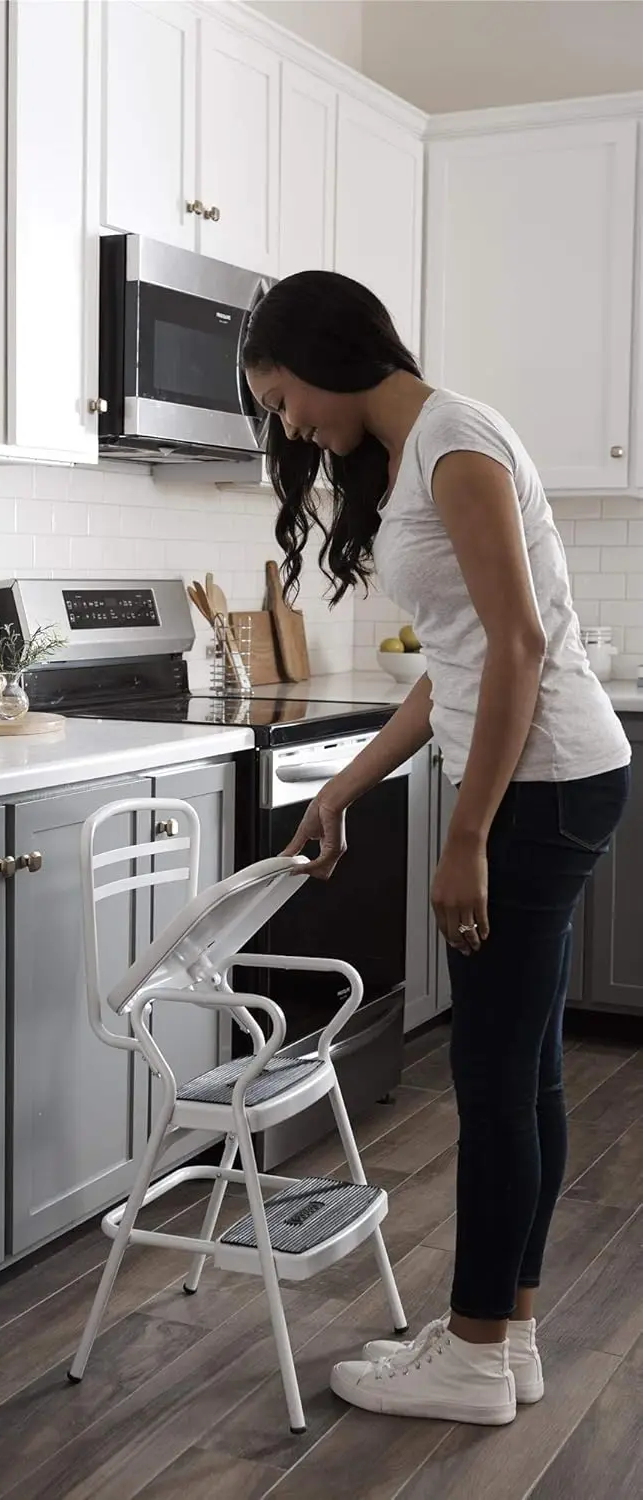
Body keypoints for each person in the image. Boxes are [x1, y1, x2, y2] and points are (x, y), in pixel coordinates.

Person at [242, 271, 631, 1427]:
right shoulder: (426, 448)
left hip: (536, 788)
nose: (289, 425)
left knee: (493, 1084)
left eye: (283, 397)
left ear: (328, 355)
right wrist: (344, 788)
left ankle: (467, 1358)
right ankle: (504, 1338)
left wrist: (465, 839)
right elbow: (453, 665)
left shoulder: (453, 444)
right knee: (525, 1076)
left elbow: (515, 647)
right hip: (549, 780)